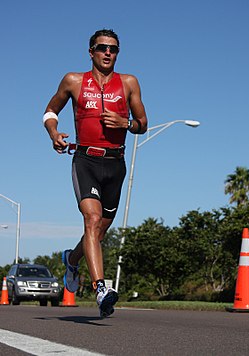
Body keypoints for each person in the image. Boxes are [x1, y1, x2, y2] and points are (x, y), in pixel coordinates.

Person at [43, 29, 148, 317]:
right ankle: (100, 288)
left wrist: (124, 123)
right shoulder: (73, 81)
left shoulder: (128, 83)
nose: (107, 53)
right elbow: (50, 110)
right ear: (91, 51)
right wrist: (53, 133)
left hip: (115, 164)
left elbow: (143, 124)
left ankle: (72, 259)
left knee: (98, 232)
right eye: (102, 48)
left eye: (113, 49)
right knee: (91, 219)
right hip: (85, 160)